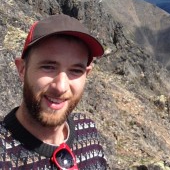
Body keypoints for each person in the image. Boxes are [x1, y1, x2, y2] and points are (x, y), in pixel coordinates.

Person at [0, 14, 108, 169]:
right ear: (22, 69)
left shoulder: (87, 129)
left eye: (76, 70)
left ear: (87, 74)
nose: (61, 87)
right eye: (48, 67)